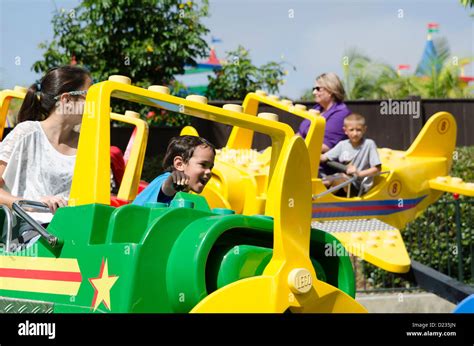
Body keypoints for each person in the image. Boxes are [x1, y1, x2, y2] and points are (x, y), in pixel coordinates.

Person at [0, 65, 92, 245]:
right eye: (89, 96)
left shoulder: (86, 144)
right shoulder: (26, 133)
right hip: (28, 233)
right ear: (66, 100)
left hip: (72, 231)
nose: (95, 104)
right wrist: (32, 203)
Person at [133, 135, 215, 206]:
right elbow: (167, 187)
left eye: (210, 167)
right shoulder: (167, 180)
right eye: (203, 165)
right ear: (180, 164)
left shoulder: (182, 191)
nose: (209, 172)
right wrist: (173, 180)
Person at [319, 113, 381, 197]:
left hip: (359, 185)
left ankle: (322, 199)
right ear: (345, 131)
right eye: (351, 130)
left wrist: (358, 173)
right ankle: (316, 197)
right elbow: (324, 157)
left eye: (358, 130)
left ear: (364, 129)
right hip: (344, 181)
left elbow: (377, 169)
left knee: (340, 178)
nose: (355, 133)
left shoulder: (369, 144)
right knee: (324, 180)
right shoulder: (342, 144)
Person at [297, 73, 351, 154]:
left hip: (321, 164)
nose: (314, 92)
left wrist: (294, 147)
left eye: (318, 89)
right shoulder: (317, 108)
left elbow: (324, 146)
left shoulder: (341, 114)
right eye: (314, 89)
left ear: (331, 91)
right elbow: (300, 133)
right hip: (302, 157)